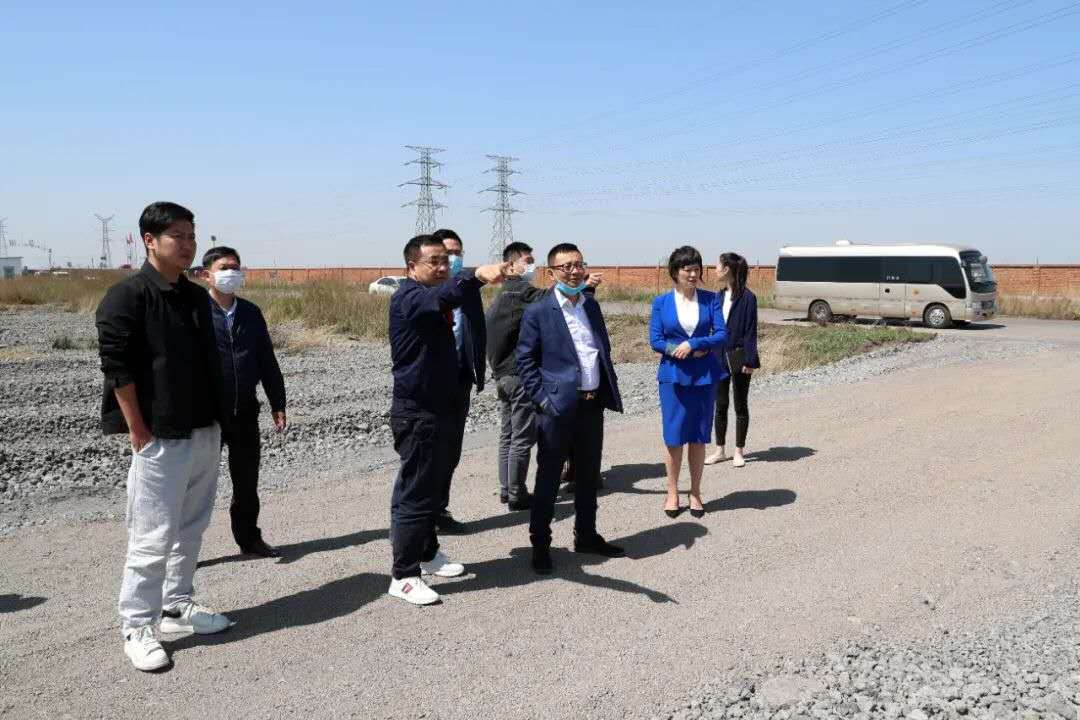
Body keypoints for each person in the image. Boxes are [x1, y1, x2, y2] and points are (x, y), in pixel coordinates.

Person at [95, 201, 231, 672]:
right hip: (160, 433)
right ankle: (137, 625)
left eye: (192, 235)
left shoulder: (194, 296)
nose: (188, 244)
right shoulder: (127, 296)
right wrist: (138, 429)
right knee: (152, 535)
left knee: (191, 527)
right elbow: (117, 368)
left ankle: (176, 605)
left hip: (204, 427)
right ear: (150, 240)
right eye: (178, 236)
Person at [387, 234, 509, 605]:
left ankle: (427, 552)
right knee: (415, 492)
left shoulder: (435, 294)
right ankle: (404, 575)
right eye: (435, 261)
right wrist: (477, 276)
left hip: (448, 404)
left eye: (447, 261)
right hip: (419, 412)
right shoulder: (409, 297)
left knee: (434, 486)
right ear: (412, 267)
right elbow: (444, 296)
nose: (443, 267)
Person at [517, 243, 625, 575]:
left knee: (589, 475)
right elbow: (525, 361)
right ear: (551, 273)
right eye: (566, 267)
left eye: (579, 264)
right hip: (557, 408)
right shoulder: (538, 311)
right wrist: (543, 401)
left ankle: (586, 535)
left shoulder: (590, 305)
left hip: (591, 405)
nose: (575, 271)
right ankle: (540, 544)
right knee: (549, 478)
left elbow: (599, 349)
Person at [202, 246, 287, 557]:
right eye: (224, 267)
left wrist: (278, 402)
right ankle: (183, 552)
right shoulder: (195, 311)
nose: (232, 273)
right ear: (207, 275)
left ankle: (249, 539)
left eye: (236, 267)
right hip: (205, 415)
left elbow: (266, 360)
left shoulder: (251, 312)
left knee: (247, 483)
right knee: (195, 487)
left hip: (245, 412)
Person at [649, 246, 727, 518]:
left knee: (698, 436)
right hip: (673, 376)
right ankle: (672, 492)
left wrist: (694, 344)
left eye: (696, 269)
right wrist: (677, 349)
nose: (693, 274)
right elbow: (655, 340)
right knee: (674, 437)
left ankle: (695, 492)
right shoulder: (661, 302)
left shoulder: (711, 299)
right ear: (675, 271)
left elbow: (721, 334)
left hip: (704, 377)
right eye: (687, 269)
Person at [430, 228, 486, 535]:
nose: (453, 258)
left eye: (457, 253)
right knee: (429, 452)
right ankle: (420, 516)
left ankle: (439, 509)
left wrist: (479, 368)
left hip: (461, 377)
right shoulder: (424, 291)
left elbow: (478, 328)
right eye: (447, 253)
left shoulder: (468, 290)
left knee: (451, 450)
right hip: (431, 383)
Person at [485, 241, 542, 511]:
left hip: (502, 375)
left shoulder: (502, 295)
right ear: (510, 266)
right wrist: (580, 286)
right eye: (527, 261)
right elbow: (553, 299)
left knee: (507, 435)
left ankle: (506, 489)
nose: (532, 266)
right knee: (522, 437)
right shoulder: (521, 290)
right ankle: (518, 493)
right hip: (519, 376)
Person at [705, 252, 760, 468]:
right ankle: (720, 450)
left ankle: (739, 451)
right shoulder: (717, 297)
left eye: (717, 266)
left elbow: (750, 332)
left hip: (739, 357)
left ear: (727, 269)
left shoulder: (748, 298)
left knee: (740, 405)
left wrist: (750, 360)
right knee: (720, 405)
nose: (715, 269)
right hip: (718, 357)